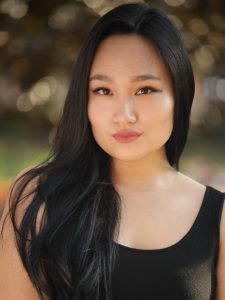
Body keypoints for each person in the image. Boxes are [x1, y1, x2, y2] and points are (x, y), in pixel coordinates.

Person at [0, 2, 224, 300]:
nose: (124, 114)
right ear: (85, 100)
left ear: (179, 96)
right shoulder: (36, 198)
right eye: (103, 90)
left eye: (145, 89)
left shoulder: (218, 220)